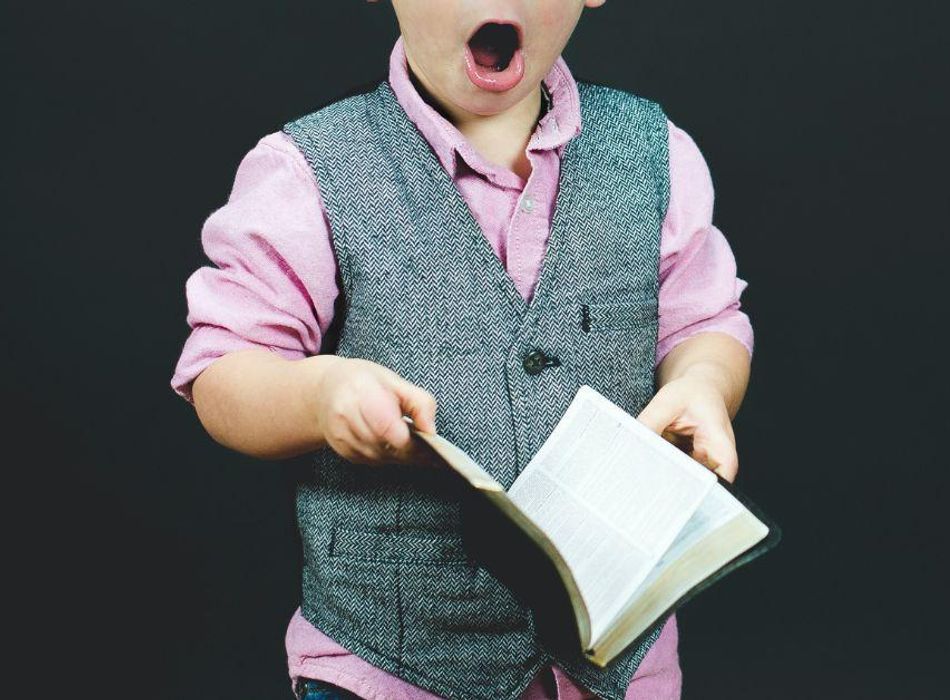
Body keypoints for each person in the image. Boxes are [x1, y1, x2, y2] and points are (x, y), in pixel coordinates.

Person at [170, 1, 755, 698]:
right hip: (388, 667)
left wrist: (704, 382)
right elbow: (223, 372)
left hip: (620, 666)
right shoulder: (307, 170)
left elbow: (704, 321)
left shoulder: (654, 152)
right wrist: (320, 395)